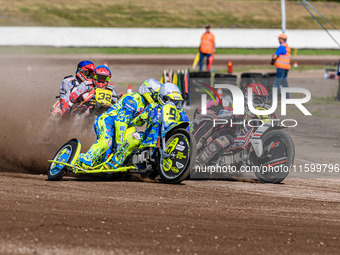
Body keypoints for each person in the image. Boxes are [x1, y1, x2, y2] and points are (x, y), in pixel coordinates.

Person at [76, 78, 162, 168]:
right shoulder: (133, 99)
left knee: (131, 140)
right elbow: (120, 121)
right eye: (155, 95)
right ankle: (85, 161)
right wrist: (120, 143)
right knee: (106, 142)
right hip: (107, 120)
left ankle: (122, 162)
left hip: (125, 125)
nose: (156, 97)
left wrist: (143, 118)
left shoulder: (145, 104)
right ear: (148, 91)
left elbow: (137, 123)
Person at [105, 82, 189, 169]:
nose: (173, 103)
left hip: (168, 137)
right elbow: (137, 123)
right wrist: (142, 117)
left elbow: (187, 125)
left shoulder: (180, 110)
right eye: (170, 100)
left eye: (176, 101)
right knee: (134, 137)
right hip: (148, 137)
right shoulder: (153, 106)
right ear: (162, 98)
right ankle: (115, 161)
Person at [271, 33, 291, 99]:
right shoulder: (287, 46)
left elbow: (275, 56)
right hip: (286, 67)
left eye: (279, 38)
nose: (278, 40)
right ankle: (287, 98)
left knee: (276, 83)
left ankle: (271, 98)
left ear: (281, 39)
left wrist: (272, 61)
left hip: (281, 67)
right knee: (284, 83)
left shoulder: (282, 46)